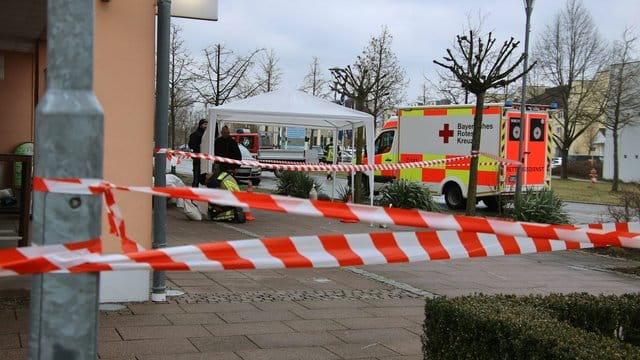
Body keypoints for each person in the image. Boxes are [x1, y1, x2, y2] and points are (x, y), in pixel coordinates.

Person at [188, 119, 208, 187]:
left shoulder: (207, 135)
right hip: (197, 159)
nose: (206, 126)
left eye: (207, 124)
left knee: (205, 178)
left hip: (206, 160)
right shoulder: (195, 134)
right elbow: (191, 145)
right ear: (200, 125)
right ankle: (194, 195)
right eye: (204, 124)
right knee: (196, 178)